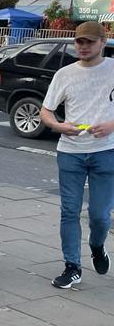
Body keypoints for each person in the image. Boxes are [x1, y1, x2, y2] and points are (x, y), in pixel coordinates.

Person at [41, 21, 114, 289]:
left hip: (106, 151)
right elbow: (46, 111)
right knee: (69, 212)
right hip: (70, 151)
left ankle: (97, 245)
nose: (83, 47)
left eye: (89, 42)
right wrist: (59, 126)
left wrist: (111, 125)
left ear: (103, 43)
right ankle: (72, 266)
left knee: (100, 214)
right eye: (79, 42)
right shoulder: (64, 74)